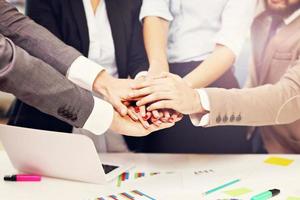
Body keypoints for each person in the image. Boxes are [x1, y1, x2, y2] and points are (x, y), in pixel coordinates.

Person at [130, 0, 300, 153]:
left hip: (287, 144)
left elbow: (288, 97)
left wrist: (192, 97)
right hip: (259, 135)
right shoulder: (263, 16)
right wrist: (159, 77)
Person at [0, 0, 173, 137]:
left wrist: (141, 91)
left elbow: (16, 26)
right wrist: (106, 113)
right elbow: (23, 58)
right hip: (57, 119)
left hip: (122, 112)